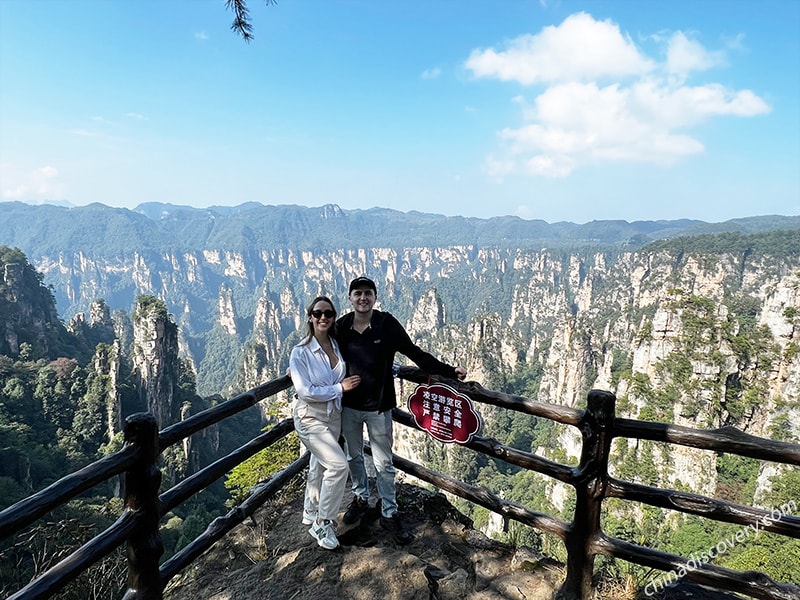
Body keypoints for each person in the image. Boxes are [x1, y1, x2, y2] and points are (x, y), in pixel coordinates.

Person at [336, 276, 467, 544]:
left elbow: (414, 353)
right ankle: (361, 499)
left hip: (379, 408)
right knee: (353, 457)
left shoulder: (386, 324)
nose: (363, 298)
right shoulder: (341, 327)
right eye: (358, 293)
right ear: (350, 298)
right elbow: (318, 350)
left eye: (368, 293)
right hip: (348, 407)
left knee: (384, 464)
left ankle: (389, 512)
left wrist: (449, 371)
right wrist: (296, 367)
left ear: (375, 297)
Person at [289, 295, 361, 550]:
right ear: (310, 317)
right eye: (318, 313)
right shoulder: (300, 352)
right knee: (338, 465)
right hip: (310, 416)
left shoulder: (336, 344)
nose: (323, 318)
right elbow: (305, 391)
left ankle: (310, 512)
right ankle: (323, 522)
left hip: (333, 416)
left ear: (333, 317)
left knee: (319, 464)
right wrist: (339, 388)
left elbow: (362, 358)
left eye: (328, 314)